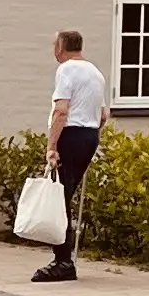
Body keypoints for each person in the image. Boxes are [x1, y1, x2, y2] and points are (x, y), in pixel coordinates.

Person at [36, 29, 103, 282]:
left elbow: (61, 111)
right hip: (89, 135)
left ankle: (63, 261)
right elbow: (103, 114)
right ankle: (64, 258)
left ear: (61, 46)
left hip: (71, 134)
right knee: (65, 193)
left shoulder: (66, 70)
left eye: (55, 43)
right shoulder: (95, 72)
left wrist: (52, 146)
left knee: (59, 197)